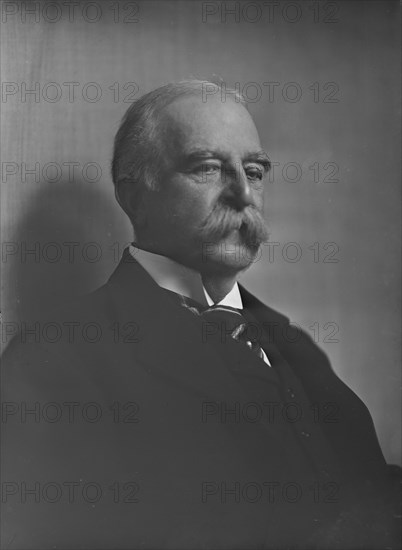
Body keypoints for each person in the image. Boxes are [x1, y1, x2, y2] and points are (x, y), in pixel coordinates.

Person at [1, 81, 399, 549]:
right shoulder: (53, 360)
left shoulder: (293, 346)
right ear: (134, 196)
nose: (242, 193)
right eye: (207, 168)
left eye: (254, 171)